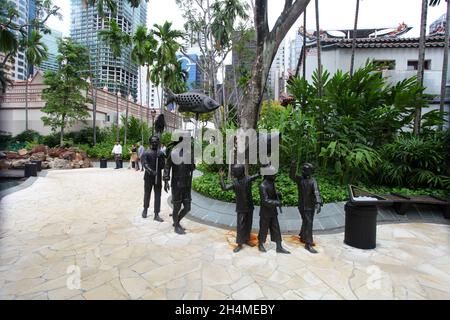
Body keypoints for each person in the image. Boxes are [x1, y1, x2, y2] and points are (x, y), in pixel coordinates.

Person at [219, 165, 259, 253]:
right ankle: (240, 243)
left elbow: (258, 174)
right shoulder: (235, 183)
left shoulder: (248, 179)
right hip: (241, 208)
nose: (232, 173)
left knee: (248, 224)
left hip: (249, 207)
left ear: (240, 172)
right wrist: (221, 177)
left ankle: (247, 240)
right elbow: (224, 188)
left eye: (234, 172)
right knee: (240, 226)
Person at [163, 137, 195, 235]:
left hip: (187, 183)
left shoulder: (188, 153)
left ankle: (176, 222)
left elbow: (192, 167)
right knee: (176, 206)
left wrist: (192, 162)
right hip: (177, 183)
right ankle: (176, 226)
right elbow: (167, 167)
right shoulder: (173, 153)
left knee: (187, 207)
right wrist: (166, 180)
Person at [290, 161, 323, 254]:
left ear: (309, 172)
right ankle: (307, 243)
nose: (302, 171)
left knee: (307, 222)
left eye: (304, 170)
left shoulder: (313, 181)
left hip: (310, 206)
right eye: (302, 170)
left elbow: (317, 192)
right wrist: (293, 166)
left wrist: (318, 203)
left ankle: (304, 237)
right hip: (302, 206)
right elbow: (292, 176)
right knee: (308, 222)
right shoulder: (300, 180)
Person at [258, 173, 290, 254]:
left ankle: (279, 247)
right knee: (263, 229)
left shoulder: (272, 183)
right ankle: (260, 244)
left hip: (273, 211)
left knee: (276, 229)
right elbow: (265, 201)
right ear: (267, 175)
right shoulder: (262, 186)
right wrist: (276, 202)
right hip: (265, 212)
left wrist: (278, 195)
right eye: (273, 175)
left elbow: (273, 195)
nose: (275, 176)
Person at [142, 136, 165, 222]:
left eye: (156, 142)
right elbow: (145, 164)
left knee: (158, 195)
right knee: (147, 194)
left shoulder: (161, 153)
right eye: (153, 142)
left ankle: (156, 213)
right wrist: (151, 171)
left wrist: (161, 159)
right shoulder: (146, 153)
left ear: (158, 143)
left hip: (158, 177)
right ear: (150, 142)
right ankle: (145, 209)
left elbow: (163, 166)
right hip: (148, 177)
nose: (154, 143)